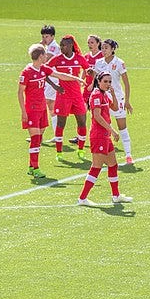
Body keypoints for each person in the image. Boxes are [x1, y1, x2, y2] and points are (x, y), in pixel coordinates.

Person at [77, 72, 132, 206]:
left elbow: (114, 107)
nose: (108, 84)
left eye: (109, 82)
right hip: (99, 136)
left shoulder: (104, 94)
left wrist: (112, 93)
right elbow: (97, 116)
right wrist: (112, 130)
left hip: (105, 136)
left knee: (113, 165)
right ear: (98, 81)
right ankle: (82, 198)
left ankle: (116, 196)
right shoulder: (96, 95)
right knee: (96, 167)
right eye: (105, 81)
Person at [18, 44, 63, 179]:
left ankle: (31, 166)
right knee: (36, 138)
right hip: (32, 109)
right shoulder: (26, 72)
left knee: (39, 138)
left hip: (42, 108)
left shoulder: (43, 68)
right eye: (45, 55)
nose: (46, 57)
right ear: (40, 56)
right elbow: (20, 92)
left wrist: (77, 79)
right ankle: (36, 168)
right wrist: (23, 112)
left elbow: (58, 74)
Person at [47, 35, 91, 161]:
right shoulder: (57, 59)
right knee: (61, 124)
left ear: (71, 45)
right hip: (63, 96)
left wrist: (89, 79)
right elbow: (44, 72)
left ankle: (81, 150)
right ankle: (59, 152)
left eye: (64, 45)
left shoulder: (79, 58)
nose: (61, 48)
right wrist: (55, 86)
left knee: (82, 122)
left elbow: (88, 70)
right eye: (60, 45)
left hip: (77, 95)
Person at [91, 39, 133, 164]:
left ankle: (128, 155)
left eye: (106, 48)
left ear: (112, 49)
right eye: (102, 48)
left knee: (122, 127)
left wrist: (127, 100)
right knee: (102, 126)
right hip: (103, 99)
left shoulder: (119, 63)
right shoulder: (99, 62)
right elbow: (96, 81)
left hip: (117, 98)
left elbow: (126, 82)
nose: (103, 50)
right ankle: (103, 156)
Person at [40, 24, 61, 141]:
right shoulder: (49, 46)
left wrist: (39, 47)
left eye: (46, 36)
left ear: (52, 36)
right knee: (51, 106)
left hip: (52, 79)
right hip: (51, 79)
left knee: (44, 104)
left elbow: (45, 59)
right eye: (43, 36)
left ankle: (39, 133)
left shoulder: (53, 47)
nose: (44, 39)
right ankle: (57, 135)